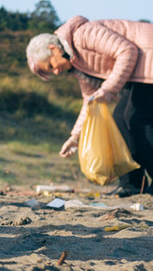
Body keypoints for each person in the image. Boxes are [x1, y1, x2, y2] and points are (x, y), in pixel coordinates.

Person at [26, 15, 153, 197]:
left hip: (149, 61)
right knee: (120, 119)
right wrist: (75, 137)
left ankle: (135, 184)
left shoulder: (83, 35)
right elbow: (89, 100)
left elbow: (127, 51)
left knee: (136, 118)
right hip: (140, 72)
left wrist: (108, 88)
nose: (56, 71)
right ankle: (132, 185)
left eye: (51, 66)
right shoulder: (78, 66)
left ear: (53, 48)